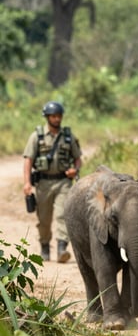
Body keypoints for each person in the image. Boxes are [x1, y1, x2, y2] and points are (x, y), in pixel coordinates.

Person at [22, 100, 82, 262]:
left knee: (63, 214)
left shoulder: (68, 137)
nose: (57, 119)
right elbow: (28, 160)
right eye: (53, 116)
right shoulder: (37, 136)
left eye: (59, 116)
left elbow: (77, 158)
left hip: (63, 182)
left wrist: (75, 170)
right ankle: (44, 247)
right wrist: (27, 183)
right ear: (47, 117)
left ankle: (62, 248)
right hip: (43, 184)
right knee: (44, 219)